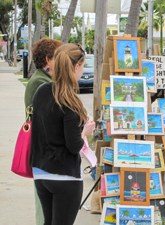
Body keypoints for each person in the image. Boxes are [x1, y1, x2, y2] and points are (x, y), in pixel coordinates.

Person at [30, 43, 95, 225]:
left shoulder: (41, 92)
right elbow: (73, 145)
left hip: (41, 172)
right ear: (76, 66)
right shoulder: (70, 100)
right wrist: (85, 132)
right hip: (65, 175)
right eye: (82, 67)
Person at [24, 37, 63, 225]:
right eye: (58, 57)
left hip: (44, 153)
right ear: (48, 59)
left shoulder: (43, 80)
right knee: (45, 210)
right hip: (45, 154)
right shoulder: (41, 83)